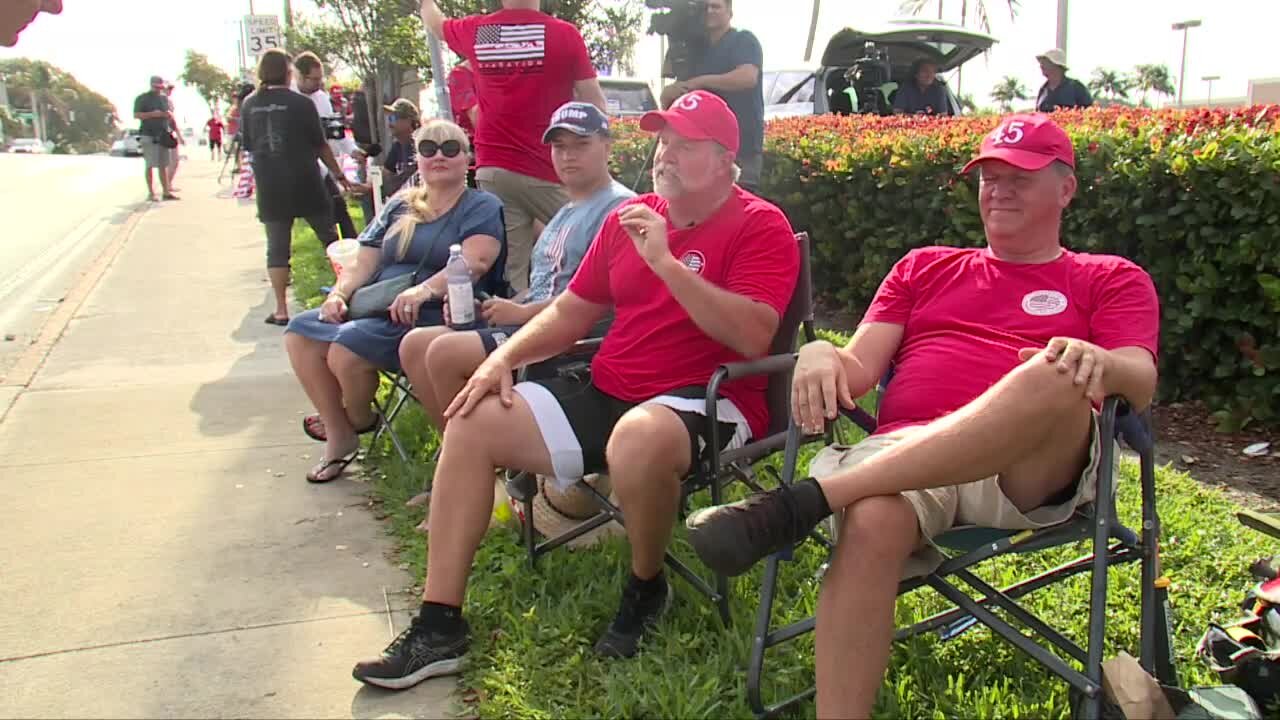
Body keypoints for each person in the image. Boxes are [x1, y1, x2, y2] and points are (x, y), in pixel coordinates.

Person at [682, 114, 1159, 719]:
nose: (999, 189)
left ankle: (804, 501)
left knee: (1052, 369)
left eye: (1021, 176)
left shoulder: (1109, 277)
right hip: (905, 466)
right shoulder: (923, 267)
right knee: (874, 519)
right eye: (989, 175)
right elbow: (857, 367)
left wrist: (1097, 362)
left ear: (1066, 189)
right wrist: (819, 350)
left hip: (1025, 471)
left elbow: (1138, 379)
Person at [350, 90, 799, 689]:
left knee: (638, 440)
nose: (664, 156)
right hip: (609, 383)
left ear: (724, 159)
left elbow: (751, 336)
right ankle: (439, 626)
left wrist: (666, 262)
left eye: (684, 146)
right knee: (471, 420)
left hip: (706, 397)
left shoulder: (759, 224)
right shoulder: (627, 218)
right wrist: (499, 359)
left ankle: (647, 584)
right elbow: (569, 314)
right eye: (663, 142)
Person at [286, 119, 505, 484]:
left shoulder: (481, 205)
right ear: (416, 158)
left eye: (450, 148)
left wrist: (425, 290)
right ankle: (339, 436)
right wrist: (340, 294)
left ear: (467, 158)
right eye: (428, 149)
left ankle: (356, 421)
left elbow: (475, 261)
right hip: (376, 307)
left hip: (438, 311)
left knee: (345, 350)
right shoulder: (401, 204)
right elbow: (365, 258)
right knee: (300, 332)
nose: (439, 156)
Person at [395, 101, 633, 430]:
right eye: (559, 147)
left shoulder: (620, 208)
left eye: (581, 145)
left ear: (607, 147)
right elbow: (542, 284)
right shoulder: (567, 208)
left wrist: (521, 314)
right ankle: (462, 454)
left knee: (443, 353)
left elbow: (605, 297)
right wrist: (493, 308)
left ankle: (479, 457)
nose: (567, 156)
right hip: (532, 321)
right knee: (414, 344)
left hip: (570, 339)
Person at [420, 0, 608, 295]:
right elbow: (593, 101)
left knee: (512, 273)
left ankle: (515, 328)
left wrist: (426, 3)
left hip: (494, 166)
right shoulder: (563, 34)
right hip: (547, 167)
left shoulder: (482, 32)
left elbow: (436, 23)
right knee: (601, 240)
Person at [240, 48, 353, 326]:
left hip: (270, 184)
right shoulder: (301, 104)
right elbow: (320, 145)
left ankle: (280, 308)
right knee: (329, 238)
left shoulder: (249, 104)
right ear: (288, 72)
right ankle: (348, 294)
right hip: (305, 180)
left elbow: (249, 147)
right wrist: (339, 176)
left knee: (277, 247)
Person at [659, 0, 765, 190]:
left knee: (738, 208)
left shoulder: (743, 40)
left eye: (716, 6)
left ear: (730, 12)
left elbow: (747, 77)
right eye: (705, 7)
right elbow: (677, 91)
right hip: (700, 150)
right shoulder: (695, 48)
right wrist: (668, 94)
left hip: (742, 147)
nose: (709, 11)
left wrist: (700, 82)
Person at [294, 51, 359, 239]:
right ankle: (335, 251)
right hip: (300, 169)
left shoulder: (321, 98)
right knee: (323, 219)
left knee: (340, 209)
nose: (318, 84)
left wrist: (352, 150)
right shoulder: (291, 98)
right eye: (314, 79)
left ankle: (353, 251)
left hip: (321, 166)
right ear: (299, 75)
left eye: (320, 79)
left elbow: (333, 130)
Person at [132, 75, 178, 202]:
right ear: (151, 85)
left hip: (162, 134)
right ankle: (151, 193)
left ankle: (166, 192)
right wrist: (152, 114)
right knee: (150, 164)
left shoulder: (164, 99)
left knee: (163, 164)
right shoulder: (142, 98)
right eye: (156, 87)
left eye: (160, 87)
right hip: (148, 134)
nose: (158, 89)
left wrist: (167, 115)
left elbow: (168, 114)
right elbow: (136, 115)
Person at [164, 83, 185, 191]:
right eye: (168, 89)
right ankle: (167, 186)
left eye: (170, 90)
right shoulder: (162, 102)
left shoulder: (169, 102)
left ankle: (168, 184)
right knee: (170, 162)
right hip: (164, 134)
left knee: (174, 161)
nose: (169, 91)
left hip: (170, 133)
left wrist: (179, 135)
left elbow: (172, 121)